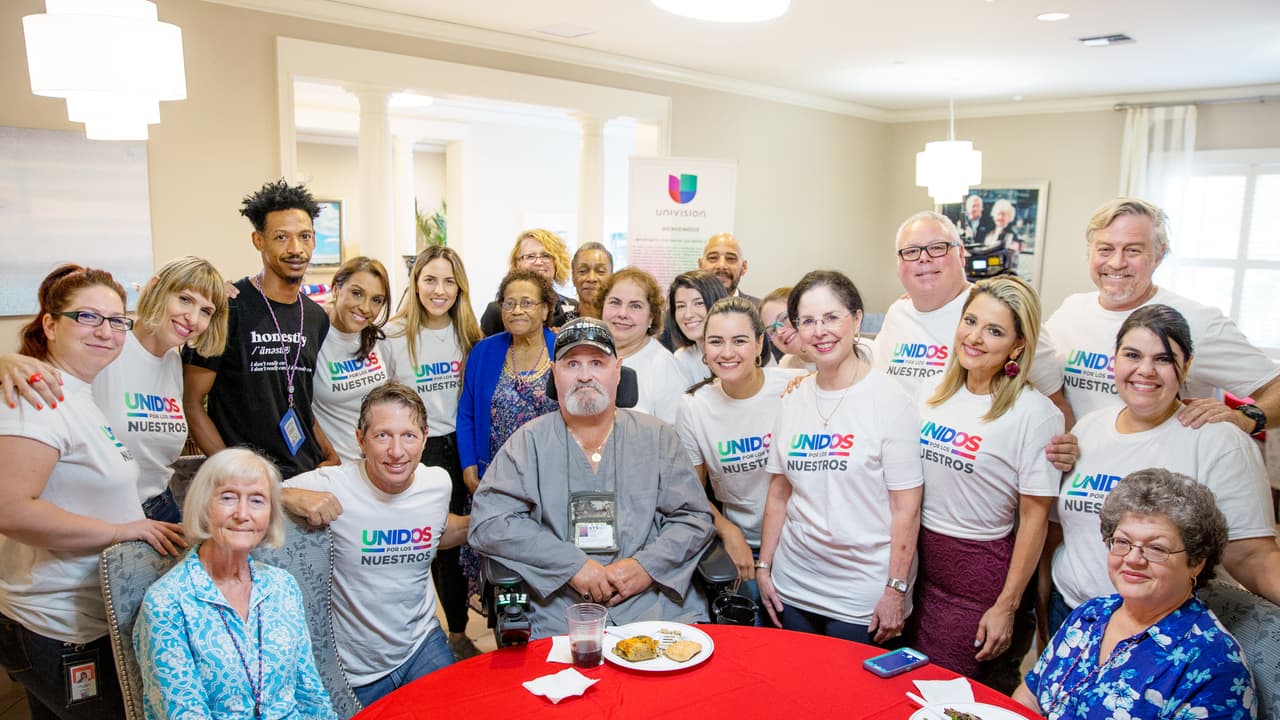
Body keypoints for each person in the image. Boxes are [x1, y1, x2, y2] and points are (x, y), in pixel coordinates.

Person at [0, 265, 186, 720]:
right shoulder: (36, 399)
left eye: (116, 320)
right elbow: (10, 511)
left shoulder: (78, 392)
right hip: (55, 623)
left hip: (82, 613)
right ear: (50, 324)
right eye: (88, 317)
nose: (106, 331)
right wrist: (122, 529)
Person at [468, 317, 716, 639]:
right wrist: (572, 566)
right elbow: (489, 523)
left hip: (652, 603)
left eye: (597, 363)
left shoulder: (658, 438)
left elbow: (694, 517)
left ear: (618, 371)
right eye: (572, 364)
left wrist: (645, 567)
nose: (585, 375)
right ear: (555, 375)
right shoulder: (527, 443)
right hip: (559, 609)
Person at [1049, 304, 1280, 630]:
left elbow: (1252, 556)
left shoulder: (1219, 441)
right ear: (1113, 362)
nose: (1145, 370)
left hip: (1164, 631)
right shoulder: (1088, 429)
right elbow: (1065, 532)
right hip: (1072, 613)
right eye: (1132, 355)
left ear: (1186, 367)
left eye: (1163, 359)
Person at [910, 276, 1063, 690]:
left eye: (994, 330)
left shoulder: (1035, 414)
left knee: (946, 692)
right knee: (901, 683)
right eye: (970, 321)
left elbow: (1035, 519)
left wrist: (1007, 605)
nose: (974, 338)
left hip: (975, 577)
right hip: (915, 565)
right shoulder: (928, 394)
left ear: (1017, 345)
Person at [757, 271, 923, 644]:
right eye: (808, 321)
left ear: (858, 319)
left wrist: (896, 590)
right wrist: (764, 567)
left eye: (832, 317)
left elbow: (906, 509)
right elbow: (779, 494)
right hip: (792, 586)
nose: (820, 331)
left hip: (862, 595)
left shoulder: (890, 402)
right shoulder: (792, 398)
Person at [2, 256, 229, 522]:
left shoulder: (173, 361)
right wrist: (5, 363)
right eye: (185, 299)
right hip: (103, 517)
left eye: (206, 311)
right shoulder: (105, 347)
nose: (192, 318)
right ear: (155, 288)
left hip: (160, 508)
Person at [1016, 469, 1256, 720]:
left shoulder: (1215, 664)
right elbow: (1030, 696)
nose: (1132, 559)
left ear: (1196, 561)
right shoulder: (1090, 614)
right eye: (1122, 542)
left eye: (1156, 548)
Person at [282, 384, 468, 706]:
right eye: (382, 436)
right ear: (360, 439)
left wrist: (492, 522)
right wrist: (286, 494)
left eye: (408, 436)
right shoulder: (332, 484)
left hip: (421, 645)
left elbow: (436, 531)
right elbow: (231, 491)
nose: (397, 451)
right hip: (358, 669)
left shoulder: (437, 483)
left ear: (425, 438)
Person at [1045, 197, 1279, 433]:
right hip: (1081, 466)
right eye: (1105, 249)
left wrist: (1244, 419)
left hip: (1164, 467)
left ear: (1158, 255)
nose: (1117, 263)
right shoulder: (1069, 312)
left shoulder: (1198, 321)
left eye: (1133, 250)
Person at [134, 448, 335, 720]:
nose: (243, 513)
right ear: (203, 506)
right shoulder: (167, 603)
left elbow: (310, 693)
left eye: (257, 500)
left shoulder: (283, 586)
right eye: (228, 498)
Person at [184, 179, 337, 478]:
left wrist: (330, 454)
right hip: (246, 483)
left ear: (314, 239)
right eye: (281, 237)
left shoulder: (317, 317)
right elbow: (192, 403)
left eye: (304, 236)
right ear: (259, 241)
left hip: (307, 475)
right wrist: (233, 473)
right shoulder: (227, 308)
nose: (296, 249)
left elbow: (297, 398)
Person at [675, 297, 803, 619]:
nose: (727, 353)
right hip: (744, 544)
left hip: (799, 542)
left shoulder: (796, 387)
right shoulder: (694, 406)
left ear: (760, 343)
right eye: (716, 342)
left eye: (740, 341)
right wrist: (727, 530)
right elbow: (690, 491)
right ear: (704, 349)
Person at [385, 245, 483, 659]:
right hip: (409, 450)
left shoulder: (470, 338)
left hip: (455, 448)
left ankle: (457, 633)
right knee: (409, 545)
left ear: (459, 287)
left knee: (452, 548)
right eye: (430, 280)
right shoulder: (391, 336)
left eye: (448, 281)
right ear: (415, 283)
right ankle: (406, 636)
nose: (439, 290)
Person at [313, 257, 391, 463]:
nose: (365, 308)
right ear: (336, 289)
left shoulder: (377, 339)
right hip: (334, 467)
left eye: (376, 300)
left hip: (375, 466)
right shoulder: (313, 339)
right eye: (357, 293)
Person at [598, 268, 684, 423]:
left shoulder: (665, 368)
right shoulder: (590, 353)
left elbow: (672, 439)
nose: (622, 313)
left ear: (651, 316)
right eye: (615, 303)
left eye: (635, 306)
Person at [479, 229, 577, 335]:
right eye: (530, 256)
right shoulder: (497, 311)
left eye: (546, 256)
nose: (539, 262)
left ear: (557, 263)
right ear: (517, 264)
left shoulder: (572, 307)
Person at [666, 270, 728, 388]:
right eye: (681, 306)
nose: (688, 314)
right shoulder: (682, 358)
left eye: (699, 303)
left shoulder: (742, 350)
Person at [760, 287, 813, 369]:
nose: (779, 332)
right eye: (772, 330)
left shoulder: (838, 351)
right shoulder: (785, 366)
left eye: (784, 318)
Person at [697, 232, 757, 304]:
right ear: (700, 265)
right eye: (713, 258)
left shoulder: (760, 311)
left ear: (743, 267)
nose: (721, 265)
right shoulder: (687, 311)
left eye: (730, 258)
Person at [571, 242, 614, 319]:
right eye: (583, 271)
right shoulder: (560, 326)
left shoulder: (619, 324)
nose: (591, 278)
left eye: (600, 271)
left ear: (611, 278)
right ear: (573, 277)